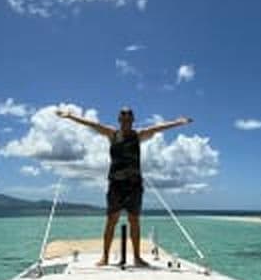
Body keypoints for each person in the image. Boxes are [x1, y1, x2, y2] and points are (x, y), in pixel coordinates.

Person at [55, 107, 192, 266]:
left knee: (134, 220)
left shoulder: (138, 135)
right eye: (123, 117)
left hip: (134, 185)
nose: (126, 120)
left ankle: (137, 257)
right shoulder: (112, 134)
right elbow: (92, 124)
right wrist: (70, 116)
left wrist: (178, 122)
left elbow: (158, 128)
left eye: (129, 118)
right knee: (111, 220)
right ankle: (105, 257)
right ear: (119, 120)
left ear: (133, 120)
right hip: (116, 184)